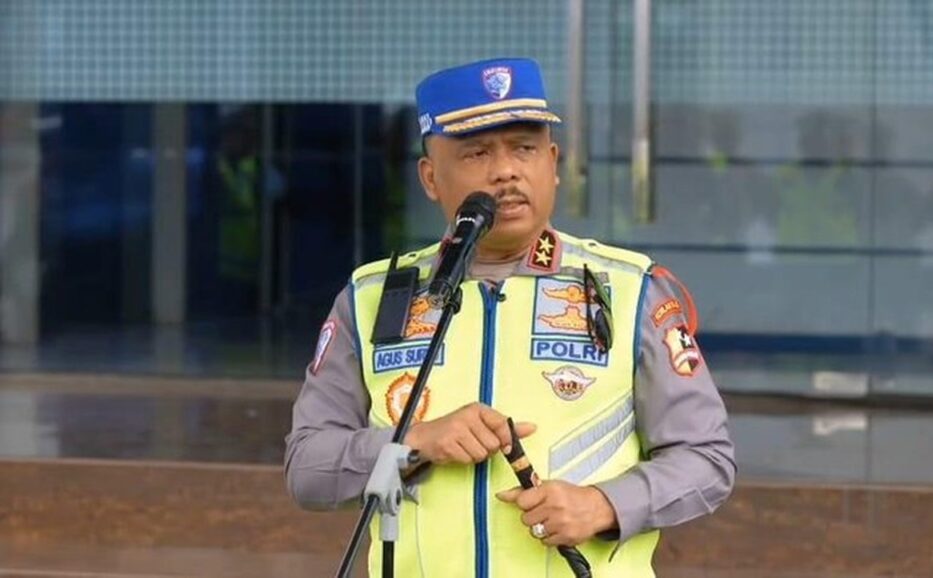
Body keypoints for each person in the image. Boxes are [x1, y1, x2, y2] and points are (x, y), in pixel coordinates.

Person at [285, 57, 735, 578]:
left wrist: (605, 505)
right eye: (477, 153)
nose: (505, 171)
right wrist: (414, 443)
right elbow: (308, 470)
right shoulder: (371, 298)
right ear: (431, 178)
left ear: (553, 162)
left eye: (524, 148)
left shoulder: (631, 289)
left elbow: (707, 459)